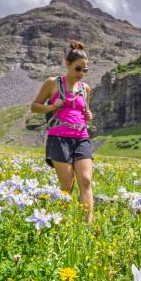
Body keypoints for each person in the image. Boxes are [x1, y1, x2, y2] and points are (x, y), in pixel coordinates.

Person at [30, 40, 95, 223]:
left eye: (85, 70)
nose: (82, 74)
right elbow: (34, 107)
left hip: (81, 136)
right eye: (78, 69)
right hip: (59, 137)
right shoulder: (53, 83)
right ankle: (60, 221)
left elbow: (83, 109)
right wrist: (51, 107)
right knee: (67, 184)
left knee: (86, 181)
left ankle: (86, 227)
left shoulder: (85, 89)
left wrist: (87, 114)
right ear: (68, 65)